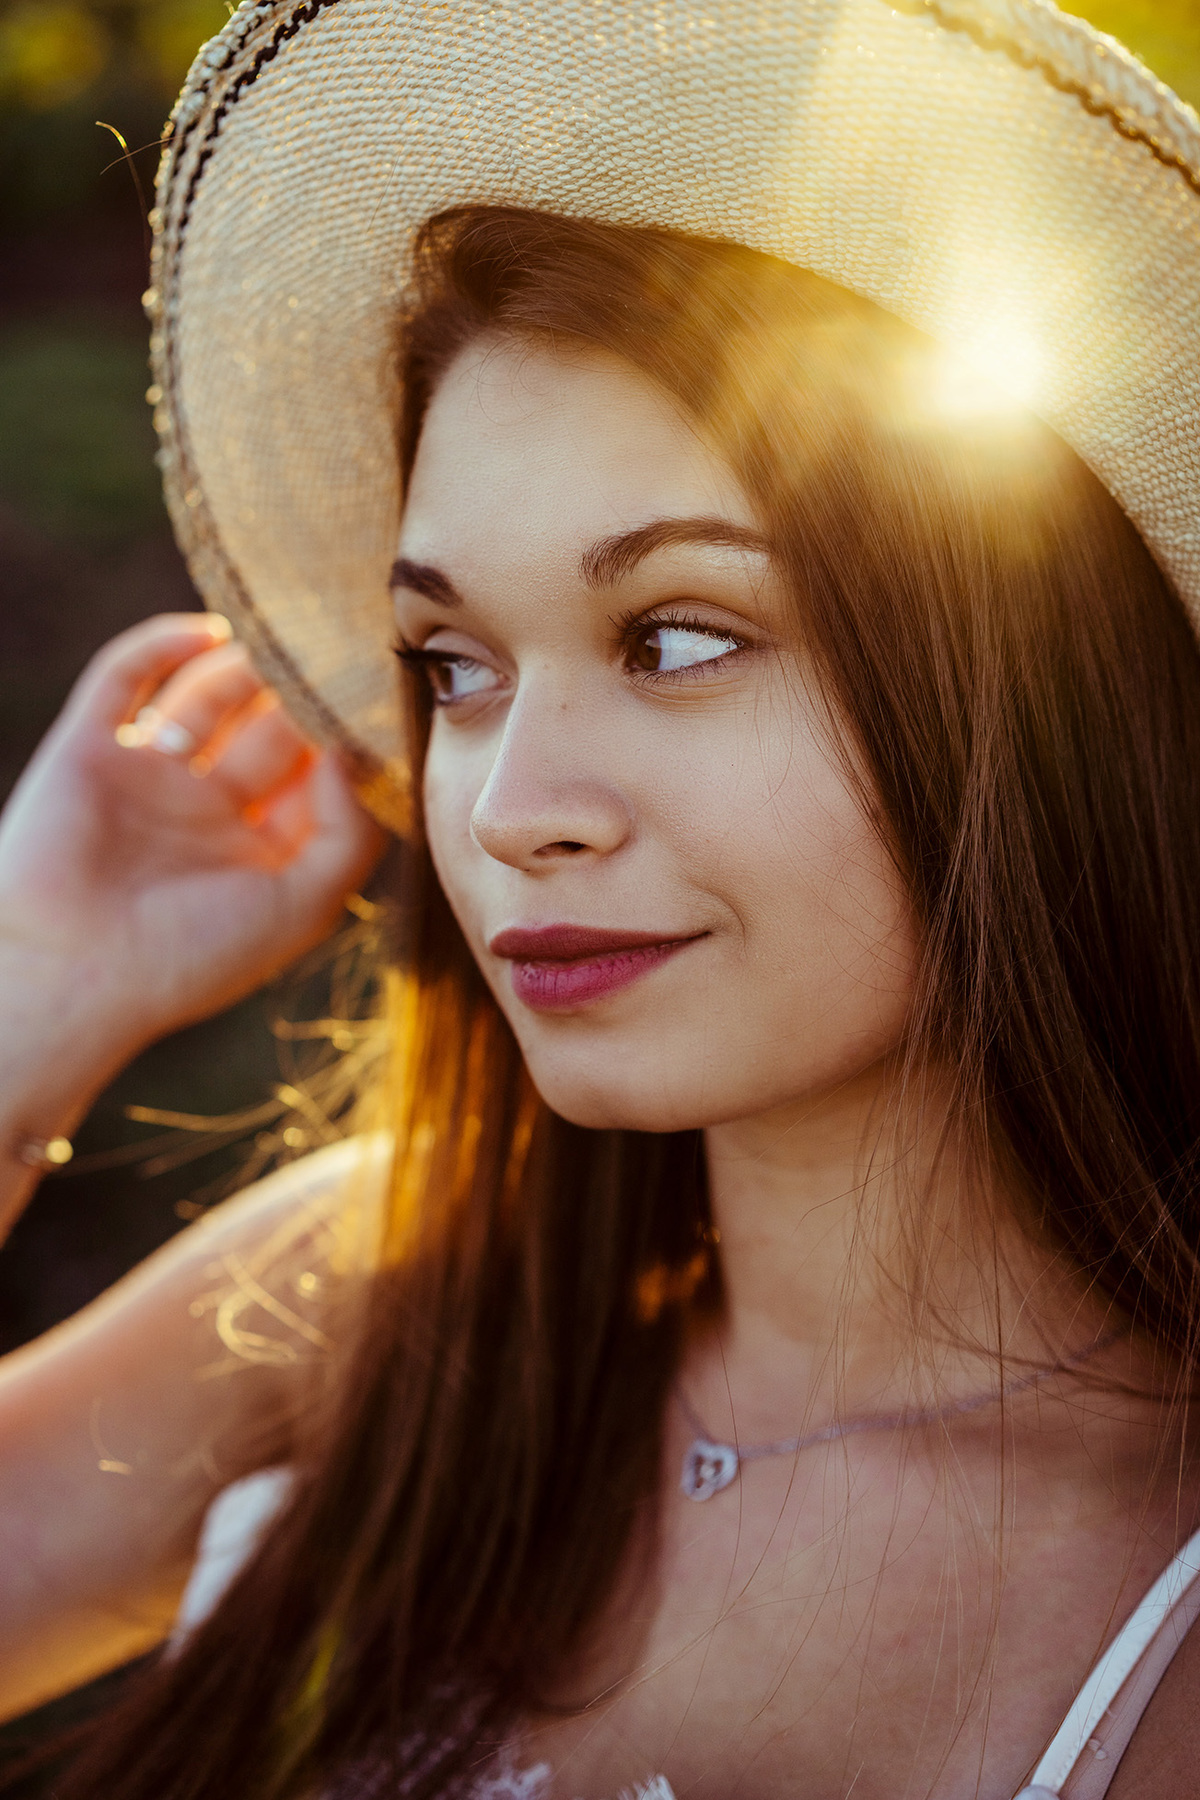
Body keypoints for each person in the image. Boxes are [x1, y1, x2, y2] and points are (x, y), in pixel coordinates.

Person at [2, 2, 1200, 1797]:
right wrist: (29, 991)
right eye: (454, 663)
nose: (513, 810)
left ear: (1030, 695)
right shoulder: (365, 1306)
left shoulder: (1151, 1573)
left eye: (679, 636)